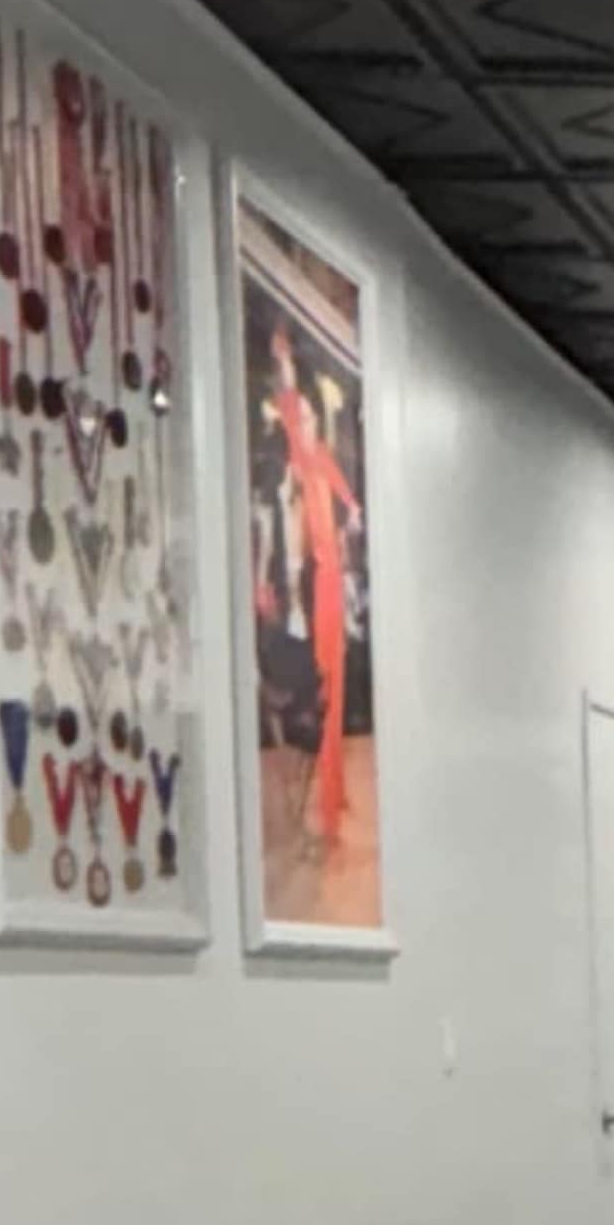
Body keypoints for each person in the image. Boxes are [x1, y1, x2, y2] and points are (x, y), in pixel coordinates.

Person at [262, 326, 356, 858]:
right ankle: (315, 801)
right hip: (313, 588)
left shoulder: (323, 462)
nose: (309, 422)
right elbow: (292, 404)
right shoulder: (304, 460)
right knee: (316, 696)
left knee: (331, 694)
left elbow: (352, 508)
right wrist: (285, 365)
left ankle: (327, 799)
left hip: (329, 590)